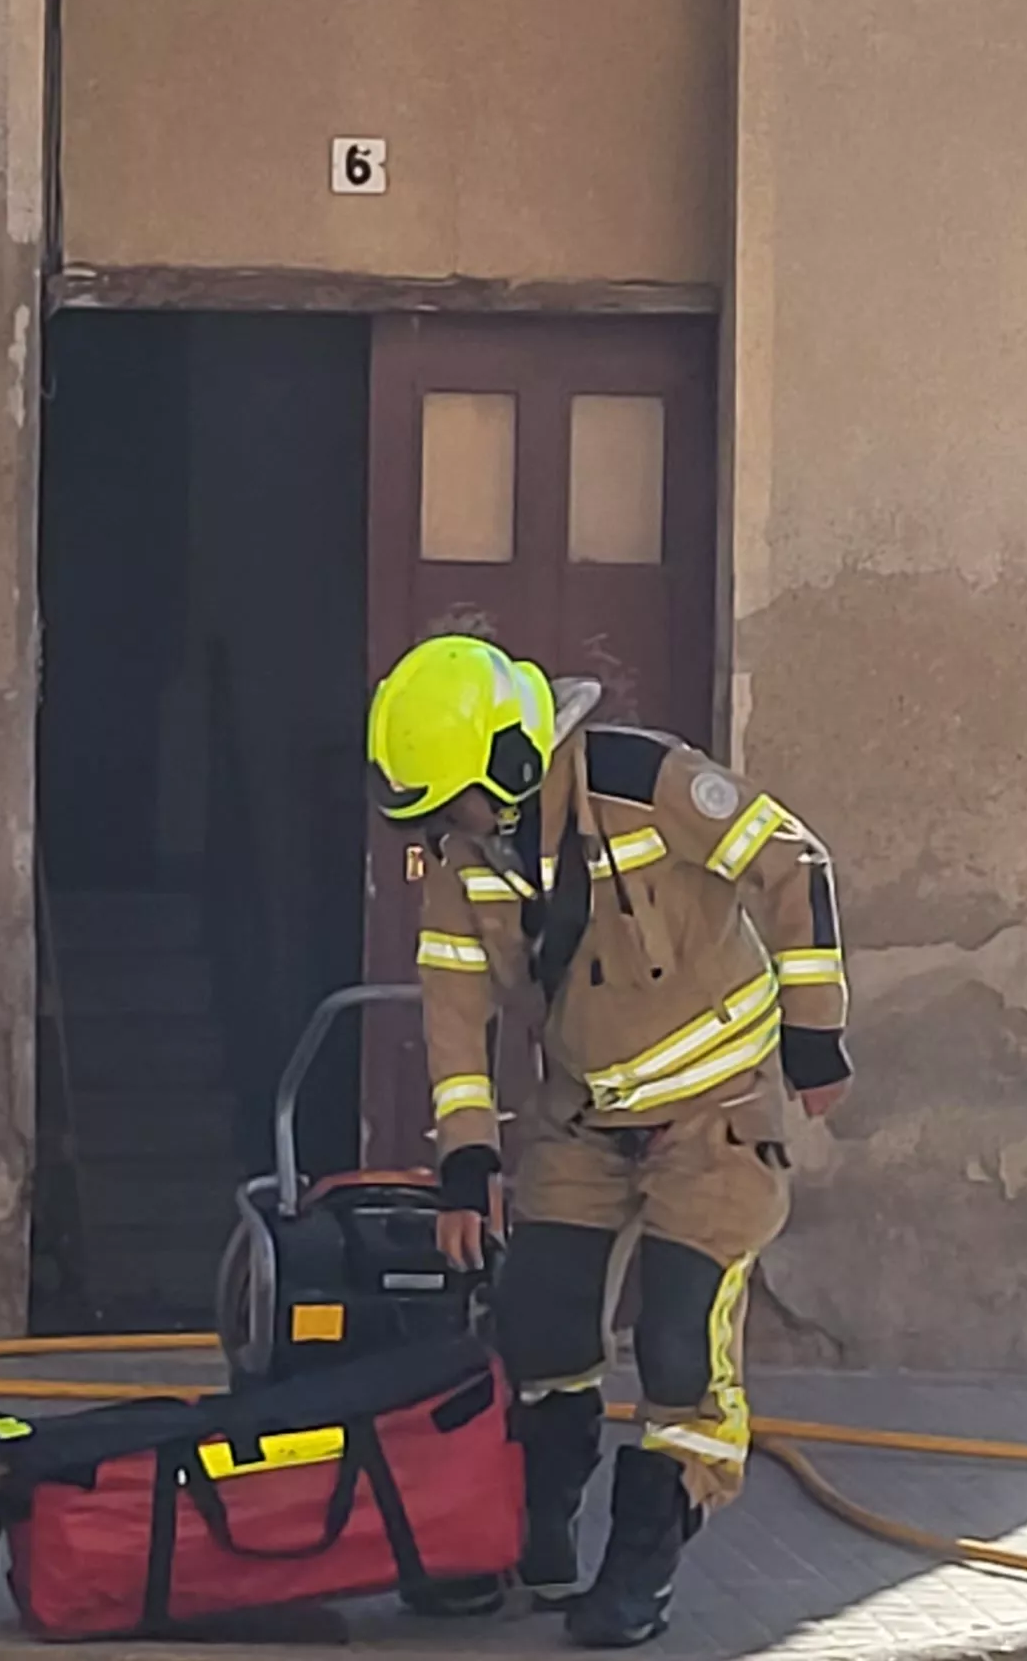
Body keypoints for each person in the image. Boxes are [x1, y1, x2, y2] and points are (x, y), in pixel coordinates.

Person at [365, 634, 852, 1648]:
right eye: (433, 814)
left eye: (455, 802)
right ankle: (531, 1532)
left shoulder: (642, 781)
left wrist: (814, 1040)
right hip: (580, 1122)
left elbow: (792, 865)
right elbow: (454, 1012)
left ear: (508, 759)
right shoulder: (468, 860)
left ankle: (643, 1560)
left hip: (714, 1119)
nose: (451, 828)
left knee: (677, 1342)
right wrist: (466, 1163)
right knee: (537, 1326)